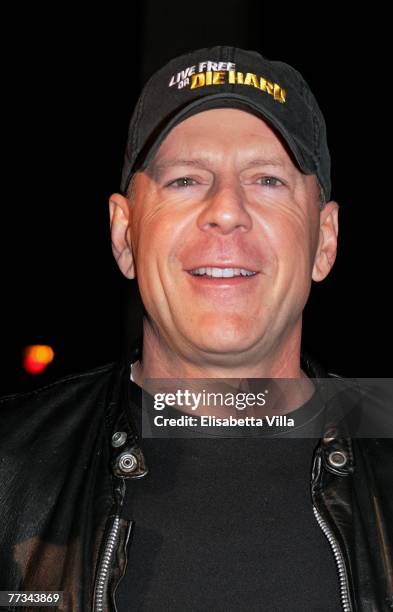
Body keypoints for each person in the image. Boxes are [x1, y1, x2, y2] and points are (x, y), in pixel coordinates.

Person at [0, 46, 391, 612]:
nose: (226, 209)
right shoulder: (13, 467)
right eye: (184, 180)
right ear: (123, 232)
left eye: (267, 180)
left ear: (325, 241)